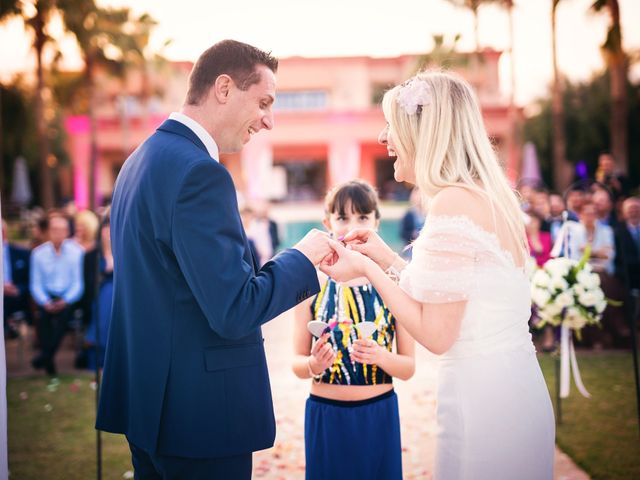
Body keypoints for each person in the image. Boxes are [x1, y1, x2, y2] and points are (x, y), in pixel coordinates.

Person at [96, 39, 332, 479]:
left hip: (148, 409)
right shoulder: (200, 174)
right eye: (263, 102)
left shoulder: (137, 162)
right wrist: (303, 258)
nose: (269, 120)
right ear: (224, 88)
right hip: (200, 418)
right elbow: (234, 308)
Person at [321, 71, 555, 479]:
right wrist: (388, 258)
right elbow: (455, 294)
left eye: (392, 125)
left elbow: (436, 334)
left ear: (422, 133)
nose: (383, 138)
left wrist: (366, 268)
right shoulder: (489, 198)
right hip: (515, 389)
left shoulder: (451, 204)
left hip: (484, 404)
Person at [292, 180, 415, 480]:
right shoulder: (312, 286)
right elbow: (296, 363)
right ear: (327, 222)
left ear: (376, 221)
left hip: (378, 415)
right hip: (325, 415)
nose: (351, 226)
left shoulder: (394, 286)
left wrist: (381, 357)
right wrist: (312, 363)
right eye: (342, 217)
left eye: (362, 217)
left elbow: (408, 366)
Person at [29, 212, 84, 375]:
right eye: (54, 229)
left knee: (64, 317)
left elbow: (78, 283)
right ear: (48, 231)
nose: (58, 233)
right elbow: (36, 284)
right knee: (43, 318)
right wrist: (45, 301)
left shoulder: (77, 252)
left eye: (61, 229)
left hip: (68, 297)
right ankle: (48, 360)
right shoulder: (38, 254)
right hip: (47, 296)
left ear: (67, 232)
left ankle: (45, 357)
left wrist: (65, 300)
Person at [2, 220, 31, 338]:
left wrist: (17, 289)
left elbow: (30, 280)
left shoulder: (21, 253)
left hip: (16, 296)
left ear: (4, 233)